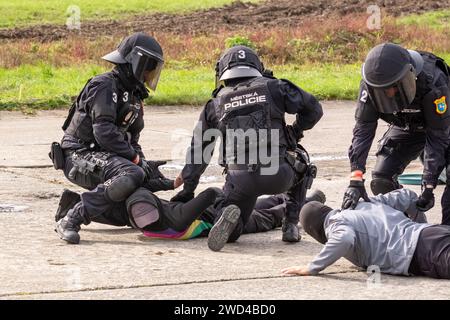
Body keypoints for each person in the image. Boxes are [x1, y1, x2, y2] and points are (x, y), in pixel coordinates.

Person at [172, 45, 323, 250]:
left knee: (236, 222)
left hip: (240, 179)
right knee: (302, 162)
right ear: (256, 67)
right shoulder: (275, 87)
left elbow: (200, 151)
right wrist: (294, 132)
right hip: (278, 174)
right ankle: (290, 225)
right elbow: (314, 109)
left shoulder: (215, 103)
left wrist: (187, 191)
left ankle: (231, 224)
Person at [51, 32, 176, 244]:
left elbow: (132, 140)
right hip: (79, 154)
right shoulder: (104, 85)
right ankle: (72, 218)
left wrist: (147, 168)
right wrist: (135, 162)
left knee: (138, 200)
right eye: (147, 67)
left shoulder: (135, 96)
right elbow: (104, 131)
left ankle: (72, 204)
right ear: (134, 62)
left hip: (104, 156)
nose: (148, 74)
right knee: (131, 172)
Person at [342, 42, 450, 225]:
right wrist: (355, 178)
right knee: (381, 179)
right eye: (381, 91)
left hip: (443, 126)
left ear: (408, 77)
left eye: (391, 88)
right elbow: (363, 131)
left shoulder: (433, 83)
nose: (387, 94)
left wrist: (429, 184)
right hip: (408, 126)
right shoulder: (371, 85)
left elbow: (438, 137)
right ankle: (412, 227)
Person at [282, 188, 450, 279]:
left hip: (417, 252)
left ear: (316, 230)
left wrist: (312, 267)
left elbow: (344, 238)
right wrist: (420, 225)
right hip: (430, 232)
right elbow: (407, 196)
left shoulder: (334, 223)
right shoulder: (360, 203)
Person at [55, 186, 326, 241]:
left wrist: (74, 205)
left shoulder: (140, 221)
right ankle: (304, 201)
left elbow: (108, 212)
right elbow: (209, 194)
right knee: (264, 212)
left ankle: (304, 201)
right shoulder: (170, 214)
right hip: (212, 213)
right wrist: (220, 197)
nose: (143, 216)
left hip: (211, 217)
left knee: (263, 214)